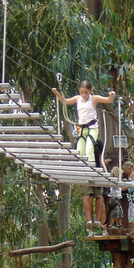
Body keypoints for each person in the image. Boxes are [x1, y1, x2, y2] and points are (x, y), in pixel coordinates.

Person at [52, 81, 116, 235]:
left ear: (90, 91)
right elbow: (65, 102)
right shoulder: (77, 99)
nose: (84, 95)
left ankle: (92, 169)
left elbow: (108, 101)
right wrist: (57, 93)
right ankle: (84, 170)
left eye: (86, 93)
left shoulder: (93, 99)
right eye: (82, 92)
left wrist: (111, 96)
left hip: (92, 128)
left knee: (89, 148)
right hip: (82, 129)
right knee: (79, 151)